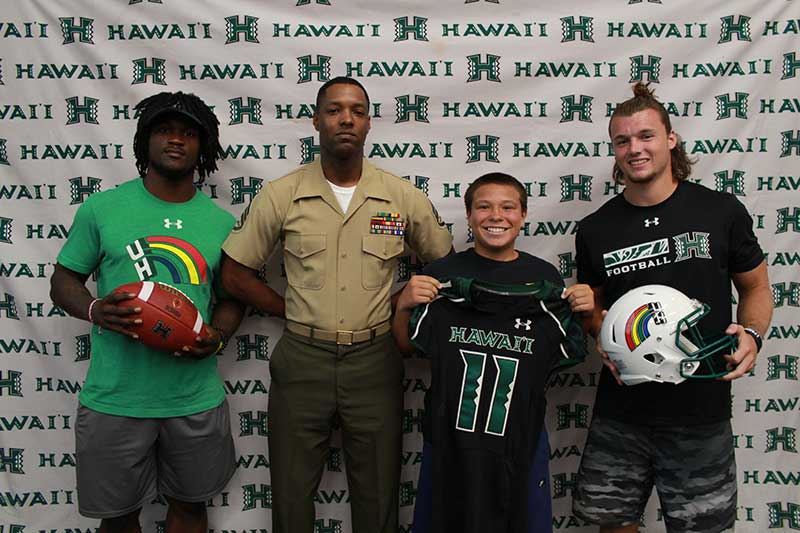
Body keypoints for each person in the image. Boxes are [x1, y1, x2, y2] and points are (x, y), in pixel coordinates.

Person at [220, 76, 453, 533]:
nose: (346, 119)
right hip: (302, 360)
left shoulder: (400, 196)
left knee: (379, 495)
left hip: (375, 360)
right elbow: (233, 274)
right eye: (334, 110)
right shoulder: (282, 194)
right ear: (316, 120)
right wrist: (293, 309)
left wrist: (400, 306)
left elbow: (446, 267)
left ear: (369, 124)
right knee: (290, 494)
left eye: (357, 111)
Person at [571, 83, 773, 533]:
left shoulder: (719, 211)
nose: (634, 149)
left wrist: (753, 335)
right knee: (612, 523)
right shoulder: (595, 228)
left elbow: (756, 287)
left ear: (670, 139)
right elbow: (595, 310)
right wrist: (599, 332)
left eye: (645, 136)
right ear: (614, 149)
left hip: (700, 409)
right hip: (622, 410)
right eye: (622, 140)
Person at [50, 91, 244, 533]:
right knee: (118, 519)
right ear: (144, 140)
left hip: (193, 397)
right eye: (164, 130)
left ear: (204, 146)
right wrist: (96, 308)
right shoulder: (103, 208)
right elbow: (63, 281)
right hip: (116, 398)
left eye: (189, 133)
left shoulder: (221, 223)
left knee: (192, 510)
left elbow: (234, 297)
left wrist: (218, 334)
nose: (176, 140)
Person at [392, 172, 594, 533]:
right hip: (450, 435)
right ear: (468, 216)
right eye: (483, 207)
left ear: (523, 215)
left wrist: (584, 310)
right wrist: (404, 306)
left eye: (507, 207)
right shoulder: (443, 276)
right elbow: (408, 346)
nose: (495, 216)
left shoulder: (544, 281)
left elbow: (564, 349)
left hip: (521, 434)